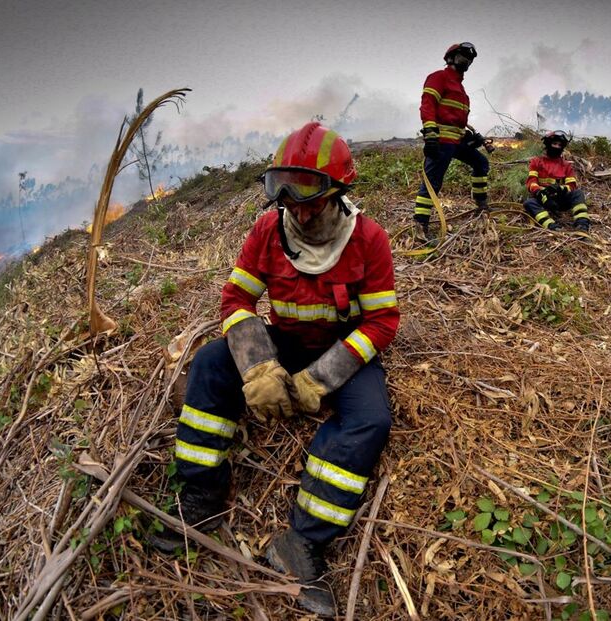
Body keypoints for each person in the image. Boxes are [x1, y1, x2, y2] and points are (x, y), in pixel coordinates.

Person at [149, 122, 399, 617]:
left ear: (337, 192)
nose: (299, 211)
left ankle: (302, 543)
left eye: (310, 198)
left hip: (339, 348)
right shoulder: (268, 230)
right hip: (283, 341)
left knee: (371, 420)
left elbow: (382, 321)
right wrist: (259, 366)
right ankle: (201, 492)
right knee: (209, 364)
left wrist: (319, 379)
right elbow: (236, 299)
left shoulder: (367, 239)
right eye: (287, 197)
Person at [414, 42, 492, 241]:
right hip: (441, 140)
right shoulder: (438, 78)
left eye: (470, 58)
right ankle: (420, 224)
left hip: (456, 140)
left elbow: (457, 121)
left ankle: (481, 206)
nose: (467, 60)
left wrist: (469, 138)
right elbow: (428, 106)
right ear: (450, 57)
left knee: (481, 163)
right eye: (463, 55)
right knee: (433, 182)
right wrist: (430, 135)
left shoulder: (461, 89)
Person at [523, 130, 591, 231]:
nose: (557, 147)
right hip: (543, 199)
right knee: (529, 203)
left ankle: (582, 224)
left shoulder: (566, 165)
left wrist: (560, 189)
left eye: (559, 145)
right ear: (548, 144)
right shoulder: (536, 162)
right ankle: (551, 226)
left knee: (578, 194)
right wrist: (541, 194)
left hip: (560, 199)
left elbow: (572, 185)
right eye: (554, 143)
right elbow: (531, 182)